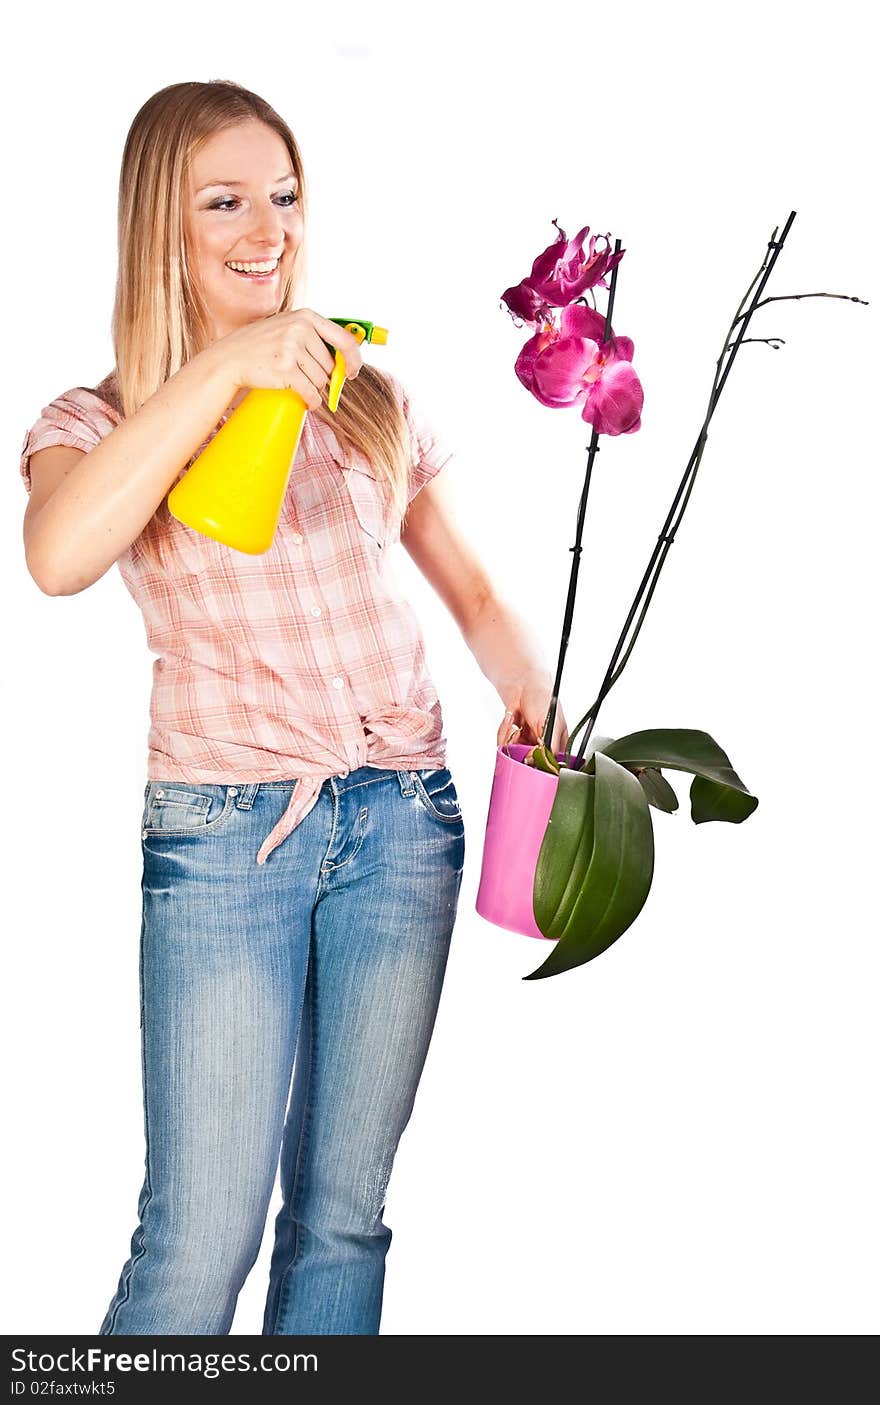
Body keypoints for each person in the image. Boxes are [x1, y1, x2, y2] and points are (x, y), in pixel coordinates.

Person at [19, 79, 569, 1336]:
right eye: (223, 200)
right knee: (197, 1236)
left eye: (283, 194)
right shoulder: (96, 421)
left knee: (342, 1221)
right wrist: (222, 367)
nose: (264, 227)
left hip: (404, 824)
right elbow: (57, 556)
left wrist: (531, 692)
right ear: (162, 226)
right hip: (225, 844)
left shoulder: (365, 395)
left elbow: (473, 591)